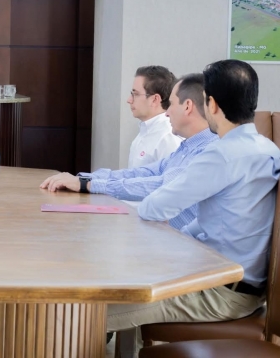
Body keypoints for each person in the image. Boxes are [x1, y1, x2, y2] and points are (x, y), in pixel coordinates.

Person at [110, 59, 280, 357]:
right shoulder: (268, 149)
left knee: (88, 309)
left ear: (211, 104)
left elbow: (153, 208)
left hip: (219, 293)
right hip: (243, 287)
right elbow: (218, 220)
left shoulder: (221, 155)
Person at [40, 73, 218, 229]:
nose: (167, 113)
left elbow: (162, 184)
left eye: (171, 104)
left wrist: (87, 185)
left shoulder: (208, 151)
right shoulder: (187, 147)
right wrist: (86, 179)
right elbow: (145, 172)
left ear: (187, 106)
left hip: (185, 244)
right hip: (164, 235)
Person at [127, 66, 181, 168]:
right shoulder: (145, 131)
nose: (129, 100)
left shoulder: (167, 137)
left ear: (155, 99)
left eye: (136, 94)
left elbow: (171, 176)